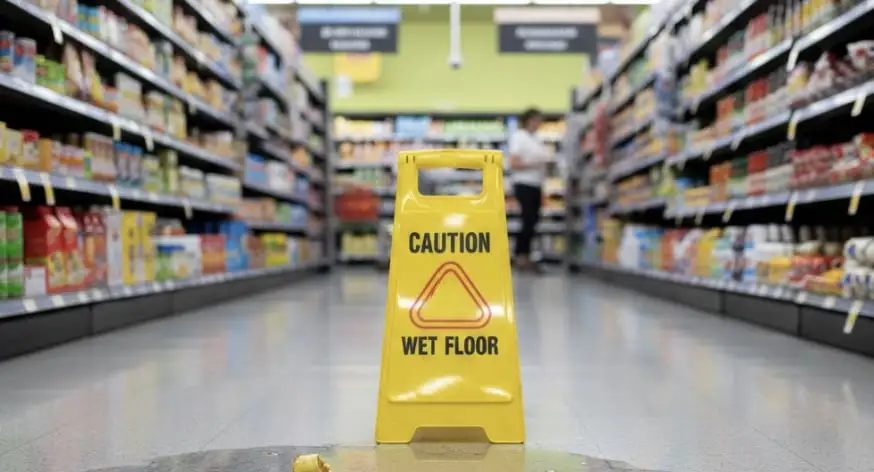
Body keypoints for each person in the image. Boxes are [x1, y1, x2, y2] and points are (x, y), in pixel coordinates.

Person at [508, 107, 550, 273]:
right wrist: (535, 163)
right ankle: (521, 257)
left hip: (536, 184)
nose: (539, 123)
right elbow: (513, 163)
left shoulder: (537, 138)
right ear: (528, 121)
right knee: (527, 221)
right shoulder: (519, 137)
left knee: (533, 222)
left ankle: (526, 256)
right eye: (536, 120)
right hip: (523, 184)